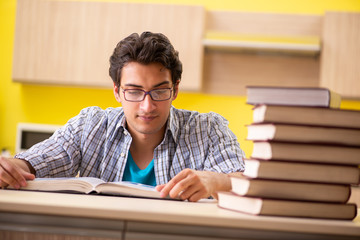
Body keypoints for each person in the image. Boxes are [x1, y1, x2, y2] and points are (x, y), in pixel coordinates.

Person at [0, 32, 245, 202]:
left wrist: (218, 181)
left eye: (159, 91)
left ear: (176, 89)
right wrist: (10, 168)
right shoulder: (90, 126)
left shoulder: (209, 129)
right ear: (117, 91)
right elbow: (38, 160)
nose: (147, 106)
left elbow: (253, 183)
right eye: (135, 91)